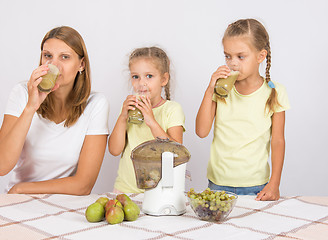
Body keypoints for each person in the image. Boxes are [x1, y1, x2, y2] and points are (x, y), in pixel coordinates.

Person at [0, 26, 109, 195]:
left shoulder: (96, 104)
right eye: (47, 56)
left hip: (62, 204)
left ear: (81, 64)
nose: (54, 65)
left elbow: (83, 185)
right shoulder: (22, 93)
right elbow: (1, 167)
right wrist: (30, 108)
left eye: (65, 57)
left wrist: (21, 188)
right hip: (18, 203)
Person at [196, 19, 290, 201]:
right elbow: (201, 131)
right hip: (218, 185)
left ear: (260, 56)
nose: (233, 63)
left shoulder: (275, 92)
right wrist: (209, 89)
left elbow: (278, 141)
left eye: (240, 56)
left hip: (256, 186)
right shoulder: (221, 89)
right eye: (227, 56)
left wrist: (275, 183)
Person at [108, 47, 185, 193]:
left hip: (160, 191)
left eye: (149, 76)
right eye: (136, 77)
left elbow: (177, 153)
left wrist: (151, 121)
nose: (141, 83)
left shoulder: (172, 109)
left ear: (163, 79)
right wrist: (123, 117)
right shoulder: (129, 109)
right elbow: (114, 150)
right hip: (125, 189)